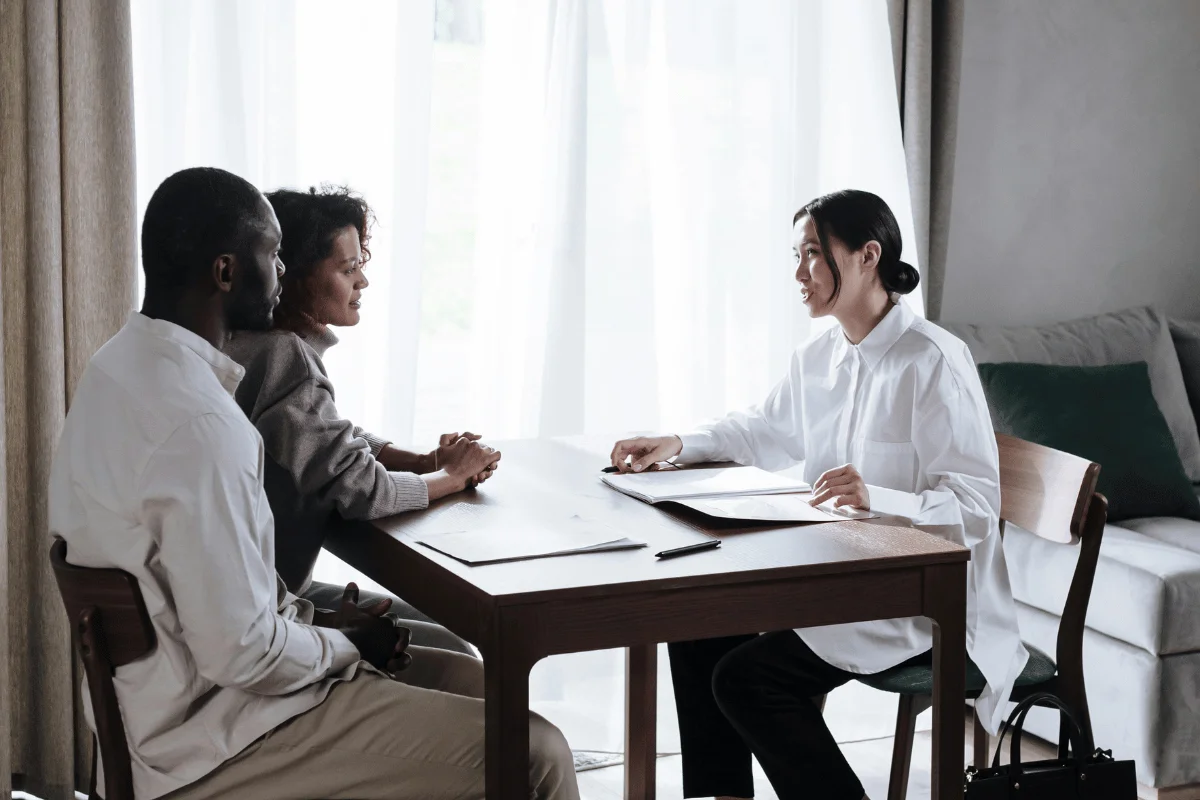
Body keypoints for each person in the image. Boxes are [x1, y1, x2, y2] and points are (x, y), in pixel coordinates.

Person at [48, 167, 578, 800]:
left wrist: (315, 619)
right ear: (226, 272)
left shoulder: (117, 369)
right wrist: (344, 642)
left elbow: (209, 591)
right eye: (271, 255)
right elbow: (243, 655)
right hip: (219, 735)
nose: (281, 273)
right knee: (536, 753)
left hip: (159, 709)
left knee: (468, 682)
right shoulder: (200, 427)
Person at [609, 190, 1027, 800]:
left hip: (920, 599)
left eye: (812, 253)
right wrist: (678, 441)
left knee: (748, 681)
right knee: (696, 626)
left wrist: (877, 495)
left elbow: (974, 508)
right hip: (831, 574)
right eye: (797, 254)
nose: (798, 272)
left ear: (867, 256)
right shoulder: (820, 355)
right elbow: (761, 429)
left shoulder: (934, 361)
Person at [224, 185, 498, 655]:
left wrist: (423, 460)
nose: (362, 282)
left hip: (258, 595)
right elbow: (364, 490)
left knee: (453, 640)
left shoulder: (248, 344)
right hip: (268, 612)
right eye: (348, 268)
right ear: (293, 275)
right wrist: (451, 476)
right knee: (460, 648)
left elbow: (329, 437)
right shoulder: (284, 356)